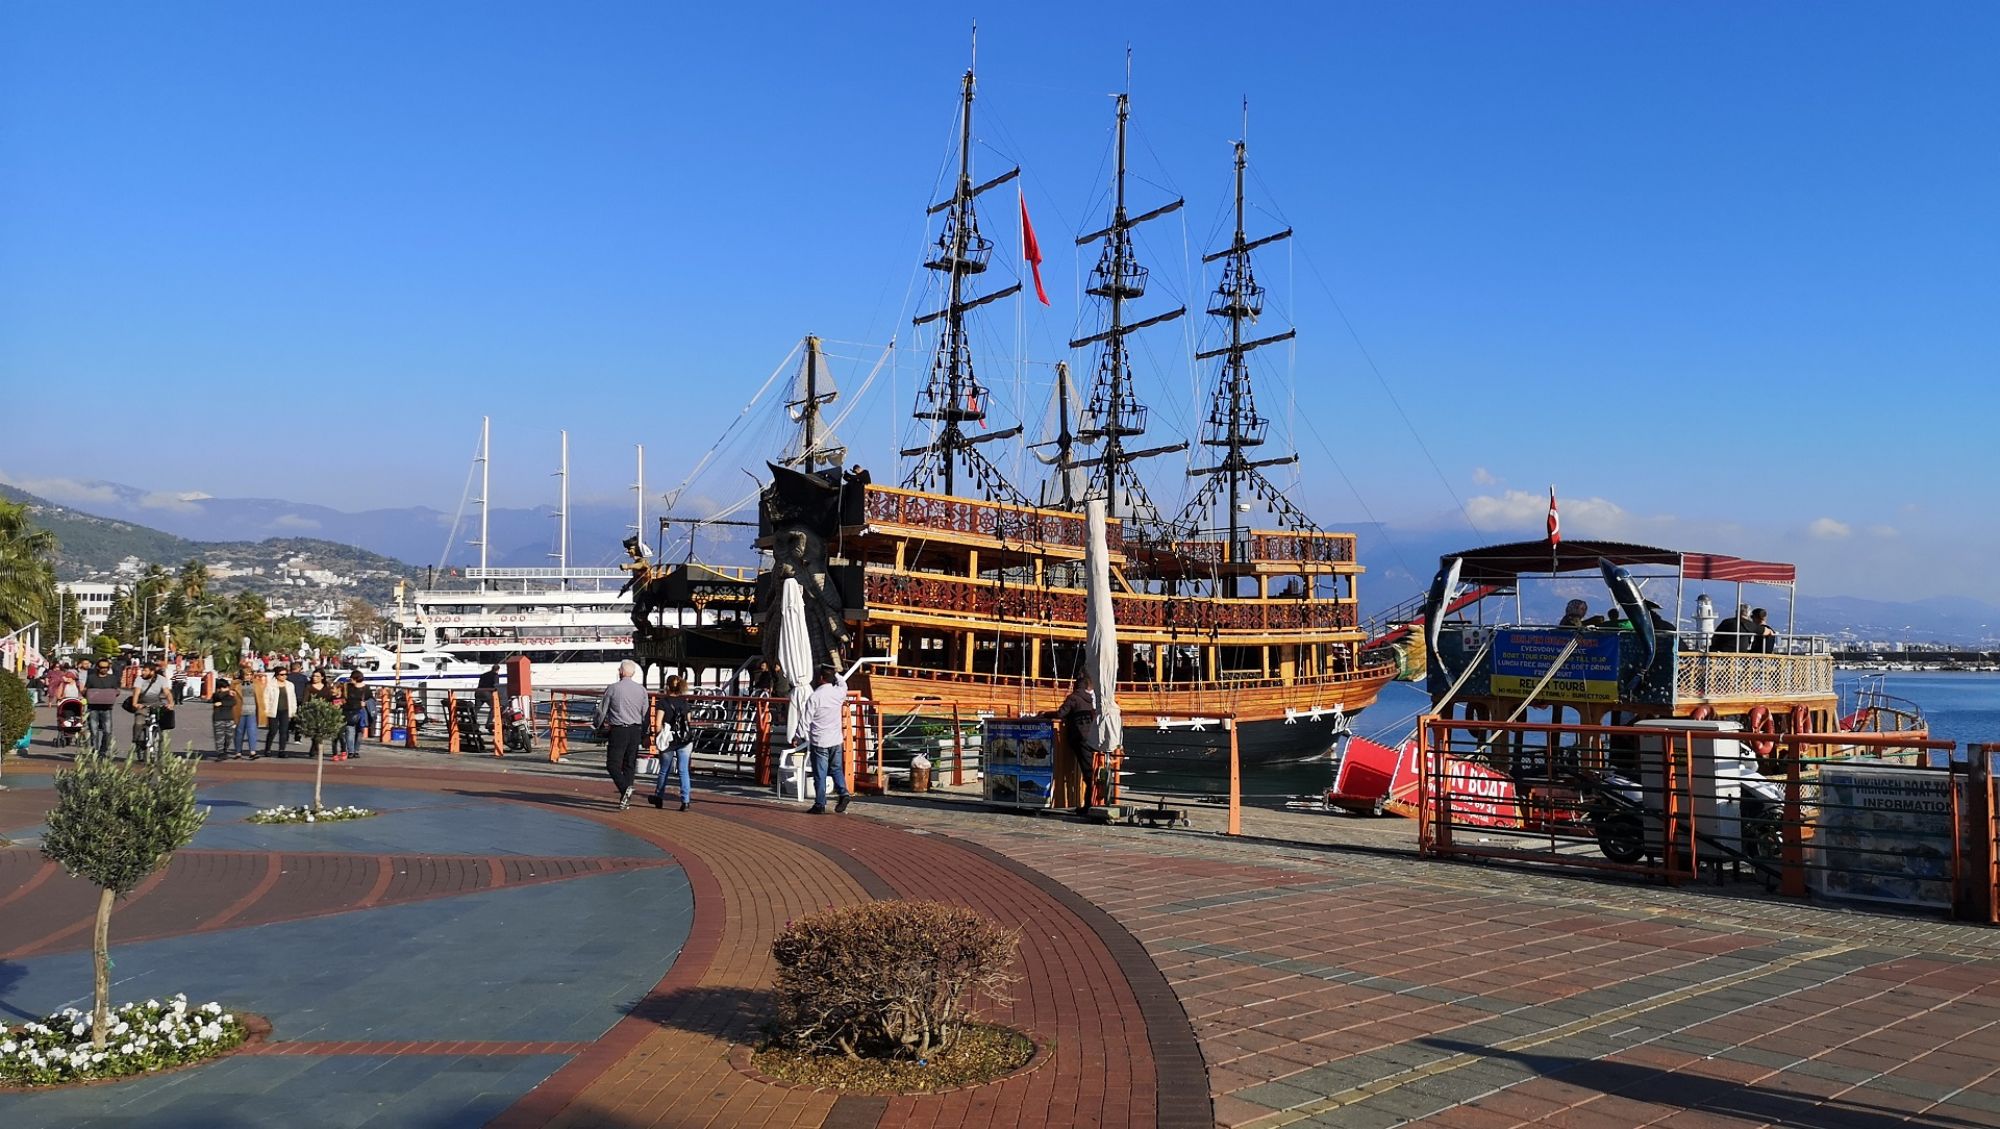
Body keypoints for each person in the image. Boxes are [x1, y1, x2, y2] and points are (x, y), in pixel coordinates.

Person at [595, 659, 649, 810]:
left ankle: (625, 789)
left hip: (619, 730)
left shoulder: (613, 688)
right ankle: (626, 798)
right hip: (636, 730)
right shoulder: (642, 690)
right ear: (633, 673)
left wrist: (597, 724)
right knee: (629, 764)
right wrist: (645, 732)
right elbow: (645, 714)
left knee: (612, 764)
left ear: (621, 672)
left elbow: (602, 710)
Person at [799, 664, 853, 815]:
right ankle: (844, 793)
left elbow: (805, 720)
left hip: (820, 740)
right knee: (836, 769)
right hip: (836, 739)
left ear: (820, 678)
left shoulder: (815, 697)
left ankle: (820, 804)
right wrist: (835, 674)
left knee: (820, 774)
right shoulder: (838, 693)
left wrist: (798, 736)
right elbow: (843, 684)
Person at [1047, 673, 1103, 815]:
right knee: (1090, 770)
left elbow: (1060, 714)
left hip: (1078, 738)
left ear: (1075, 686)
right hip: (1091, 738)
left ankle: (1088, 806)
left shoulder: (1073, 698)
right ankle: (1093, 801)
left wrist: (1046, 714)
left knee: (1087, 772)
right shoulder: (1091, 700)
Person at [650, 674, 694, 810]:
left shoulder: (663, 702)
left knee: (664, 770)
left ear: (667, 686)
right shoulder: (684, 702)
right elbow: (689, 721)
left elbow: (657, 724)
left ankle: (659, 797)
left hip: (668, 739)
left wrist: (658, 735)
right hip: (684, 739)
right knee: (683, 771)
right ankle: (685, 801)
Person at [128, 659, 176, 761]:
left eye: (145, 671)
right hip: (143, 704)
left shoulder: (162, 679)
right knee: (139, 723)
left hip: (156, 703)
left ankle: (159, 739)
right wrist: (135, 703)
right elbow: (136, 692)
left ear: (152, 671)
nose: (143, 673)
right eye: (142, 670)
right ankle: (137, 741)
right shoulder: (139, 679)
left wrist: (171, 703)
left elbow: (167, 693)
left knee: (164, 720)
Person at [83, 658, 119, 753]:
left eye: (106, 667)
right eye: (102, 667)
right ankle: (94, 751)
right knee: (94, 732)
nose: (104, 669)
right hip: (93, 708)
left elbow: (116, 690)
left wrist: (115, 693)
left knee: (107, 731)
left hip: (107, 708)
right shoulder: (91, 677)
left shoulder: (112, 678)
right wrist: (85, 693)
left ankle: (103, 750)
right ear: (98, 667)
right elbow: (85, 689)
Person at [261, 664, 297, 758]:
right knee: (273, 730)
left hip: (285, 711)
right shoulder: (270, 685)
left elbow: (293, 698)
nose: (284, 676)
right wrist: (266, 710)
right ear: (277, 675)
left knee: (284, 731)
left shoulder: (290, 685)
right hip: (274, 710)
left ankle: (282, 750)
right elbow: (266, 698)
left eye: (286, 674)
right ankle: (267, 749)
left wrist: (293, 710)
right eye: (282, 674)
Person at [304, 671, 339, 758]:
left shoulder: (326, 688)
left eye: (317, 676)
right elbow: (305, 700)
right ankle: (314, 749)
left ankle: (315, 749)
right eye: (313, 676)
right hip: (312, 712)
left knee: (321, 732)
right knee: (314, 732)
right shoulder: (309, 687)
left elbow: (331, 699)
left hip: (324, 712)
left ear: (322, 677)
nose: (314, 678)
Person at [236, 668, 267, 759]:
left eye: (250, 675)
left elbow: (261, 698)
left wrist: (262, 710)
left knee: (252, 731)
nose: (248, 676)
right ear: (242, 675)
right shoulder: (237, 685)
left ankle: (252, 752)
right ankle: (238, 752)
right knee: (239, 732)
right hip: (240, 711)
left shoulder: (256, 685)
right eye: (246, 675)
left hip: (252, 711)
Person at [209, 676, 241, 761]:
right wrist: (227, 693)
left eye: (227, 687)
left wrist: (222, 703)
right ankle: (220, 752)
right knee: (219, 737)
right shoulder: (216, 695)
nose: (226, 689)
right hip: (218, 719)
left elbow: (233, 702)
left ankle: (225, 749)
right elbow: (217, 697)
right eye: (224, 687)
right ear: (219, 688)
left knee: (229, 737)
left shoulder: (230, 695)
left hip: (229, 718)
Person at [340, 672, 370, 760]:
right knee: (352, 730)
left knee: (357, 732)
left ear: (355, 678)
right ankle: (352, 751)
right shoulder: (349, 687)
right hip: (351, 711)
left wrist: (366, 703)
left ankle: (354, 751)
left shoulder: (351, 687)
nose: (350, 680)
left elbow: (371, 700)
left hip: (356, 711)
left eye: (352, 678)